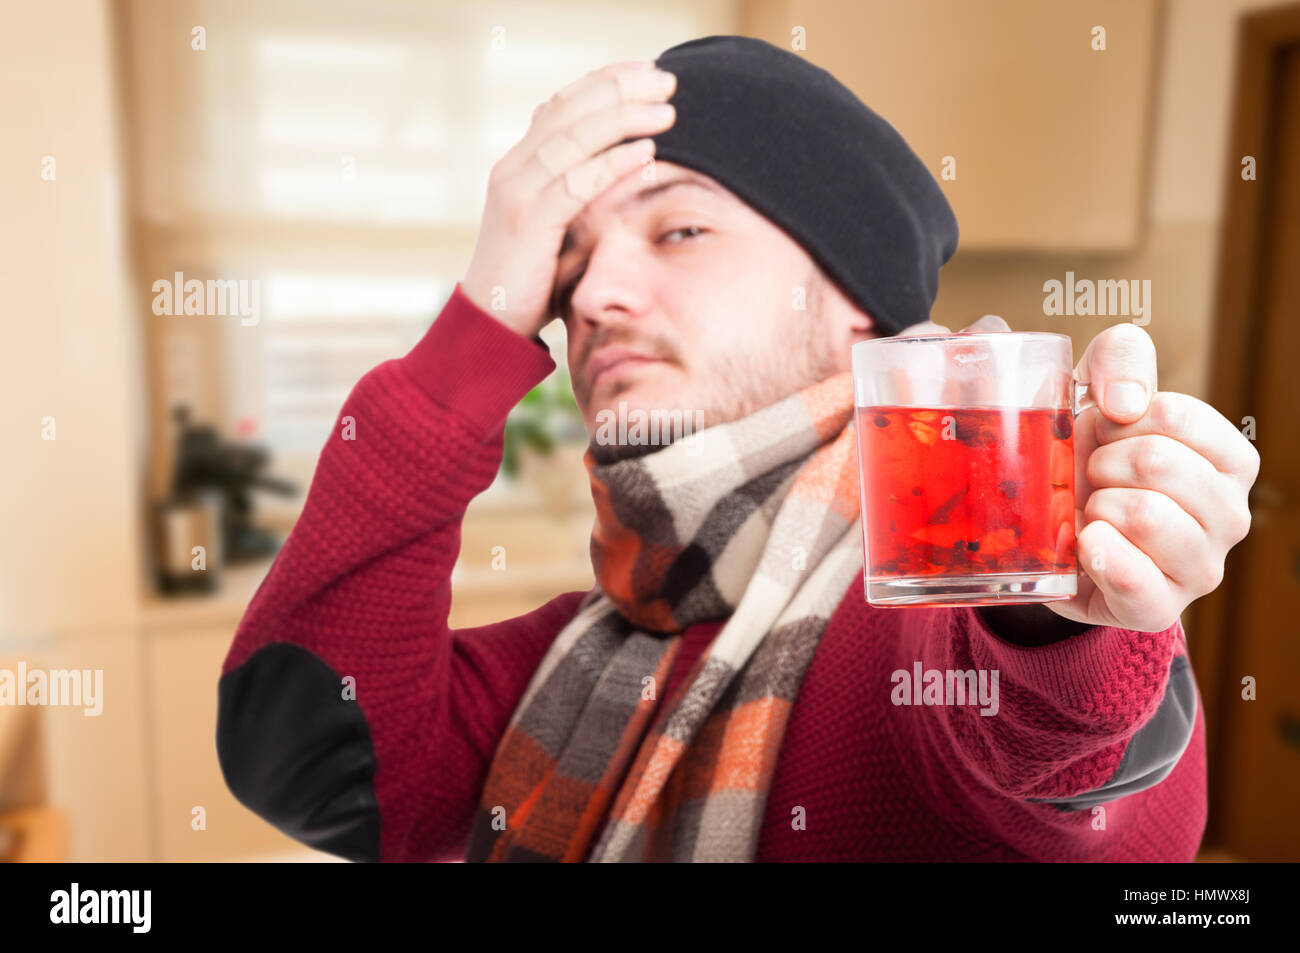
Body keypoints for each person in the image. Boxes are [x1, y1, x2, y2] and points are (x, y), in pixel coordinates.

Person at [216, 36, 1258, 862]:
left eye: (678, 232)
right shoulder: (583, 654)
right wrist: (475, 332)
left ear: (856, 307)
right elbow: (311, 756)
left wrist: (1050, 609)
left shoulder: (930, 591)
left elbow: (1053, 759)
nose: (594, 297)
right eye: (566, 268)